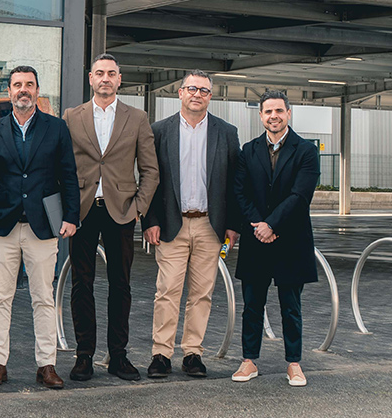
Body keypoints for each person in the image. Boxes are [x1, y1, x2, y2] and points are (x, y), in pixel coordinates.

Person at [0, 66, 80, 389]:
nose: (23, 89)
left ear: (37, 91)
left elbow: (69, 175)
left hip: (42, 228)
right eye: (18, 84)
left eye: (29, 84)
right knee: (0, 297)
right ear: (9, 91)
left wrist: (71, 217)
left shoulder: (56, 128)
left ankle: (46, 365)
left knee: (43, 298)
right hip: (2, 227)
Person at [60, 53, 159, 381]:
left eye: (111, 73)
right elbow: (62, 166)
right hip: (83, 210)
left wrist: (138, 208)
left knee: (121, 285)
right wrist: (66, 208)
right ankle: (84, 355)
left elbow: (150, 170)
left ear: (119, 79)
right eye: (99, 73)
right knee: (81, 285)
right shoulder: (72, 117)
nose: (105, 78)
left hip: (121, 211)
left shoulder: (137, 118)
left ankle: (118, 355)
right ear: (91, 78)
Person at [144, 71, 241, 379]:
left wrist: (233, 225)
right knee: (167, 290)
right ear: (180, 93)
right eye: (192, 89)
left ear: (210, 96)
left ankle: (192, 353)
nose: (197, 94)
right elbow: (149, 178)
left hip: (210, 226)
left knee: (202, 293)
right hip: (171, 224)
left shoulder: (226, 132)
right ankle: (161, 354)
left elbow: (235, 182)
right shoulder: (160, 131)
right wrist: (150, 220)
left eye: (204, 90)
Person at [231, 90, 319, 387]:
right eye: (268, 111)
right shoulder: (249, 150)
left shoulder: (306, 151)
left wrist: (273, 225)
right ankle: (248, 361)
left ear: (288, 113)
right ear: (261, 116)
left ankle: (294, 363)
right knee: (252, 306)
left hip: (290, 240)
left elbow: (300, 195)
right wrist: (259, 225)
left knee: (291, 307)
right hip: (256, 239)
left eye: (279, 111)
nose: (274, 116)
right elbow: (240, 192)